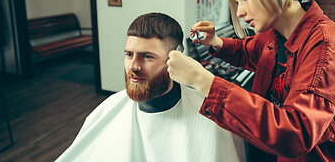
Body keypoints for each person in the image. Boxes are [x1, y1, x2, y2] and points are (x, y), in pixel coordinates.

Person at [167, 0, 335, 161]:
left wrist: (203, 80)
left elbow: (297, 133)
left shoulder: (328, 43)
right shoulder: (275, 35)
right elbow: (246, 52)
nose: (239, 12)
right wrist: (215, 42)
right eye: (238, 2)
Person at [56, 12, 246, 162]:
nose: (133, 66)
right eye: (129, 54)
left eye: (147, 56)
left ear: (175, 59)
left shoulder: (209, 119)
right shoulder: (107, 110)